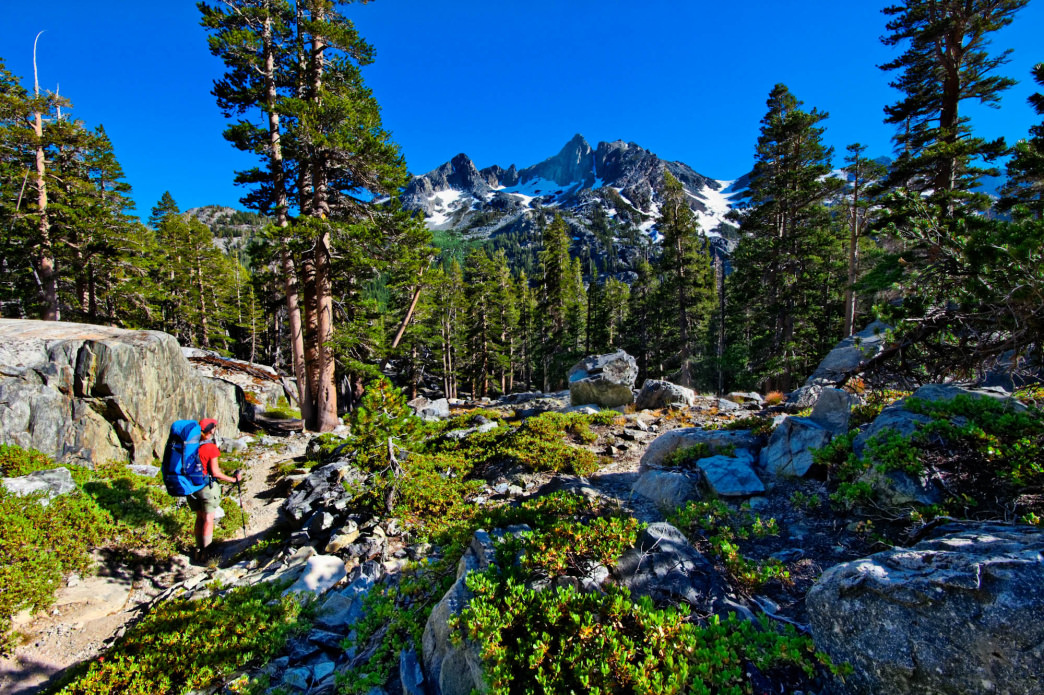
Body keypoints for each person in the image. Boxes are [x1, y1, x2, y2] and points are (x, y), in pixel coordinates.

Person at [187, 418, 242, 563]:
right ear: (211, 430)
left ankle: (198, 550)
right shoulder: (210, 448)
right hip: (206, 488)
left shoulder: (189, 445)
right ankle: (206, 553)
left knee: (199, 517)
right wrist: (233, 480)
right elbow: (215, 472)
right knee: (208, 519)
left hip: (191, 488)